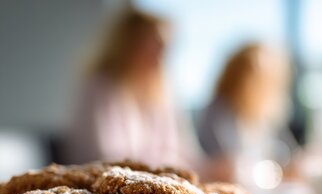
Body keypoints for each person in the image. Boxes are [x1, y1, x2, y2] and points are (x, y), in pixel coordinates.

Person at [63, 8, 202, 170]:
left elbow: (182, 149)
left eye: (166, 46)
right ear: (129, 44)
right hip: (97, 185)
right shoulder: (100, 86)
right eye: (154, 44)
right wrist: (169, 166)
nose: (162, 54)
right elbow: (106, 155)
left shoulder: (161, 94)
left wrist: (211, 167)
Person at [197, 43, 298, 182]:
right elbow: (226, 164)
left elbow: (288, 156)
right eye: (256, 76)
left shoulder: (267, 117)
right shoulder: (219, 113)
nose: (262, 85)